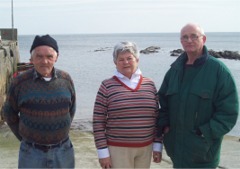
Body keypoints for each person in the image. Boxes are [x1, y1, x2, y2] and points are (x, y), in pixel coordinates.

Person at [158, 23, 239, 168]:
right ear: (181, 41)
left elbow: (229, 113)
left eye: (194, 36)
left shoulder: (218, 71)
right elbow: (163, 101)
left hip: (203, 154)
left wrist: (204, 133)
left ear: (204, 39)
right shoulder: (174, 70)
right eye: (185, 37)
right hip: (176, 152)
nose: (189, 40)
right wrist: (165, 126)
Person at [3, 34, 76, 168]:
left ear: (56, 57)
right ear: (32, 58)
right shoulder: (20, 82)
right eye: (39, 56)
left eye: (49, 56)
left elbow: (71, 109)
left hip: (63, 151)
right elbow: (8, 113)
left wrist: (59, 130)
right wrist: (25, 137)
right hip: (31, 153)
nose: (45, 61)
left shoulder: (66, 79)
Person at [93, 41, 163, 169]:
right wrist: (103, 152)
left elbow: (157, 117)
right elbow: (98, 121)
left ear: (137, 59)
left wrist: (157, 145)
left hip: (145, 149)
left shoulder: (150, 84)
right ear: (115, 62)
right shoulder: (107, 86)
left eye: (129, 58)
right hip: (118, 149)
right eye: (121, 59)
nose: (125, 62)